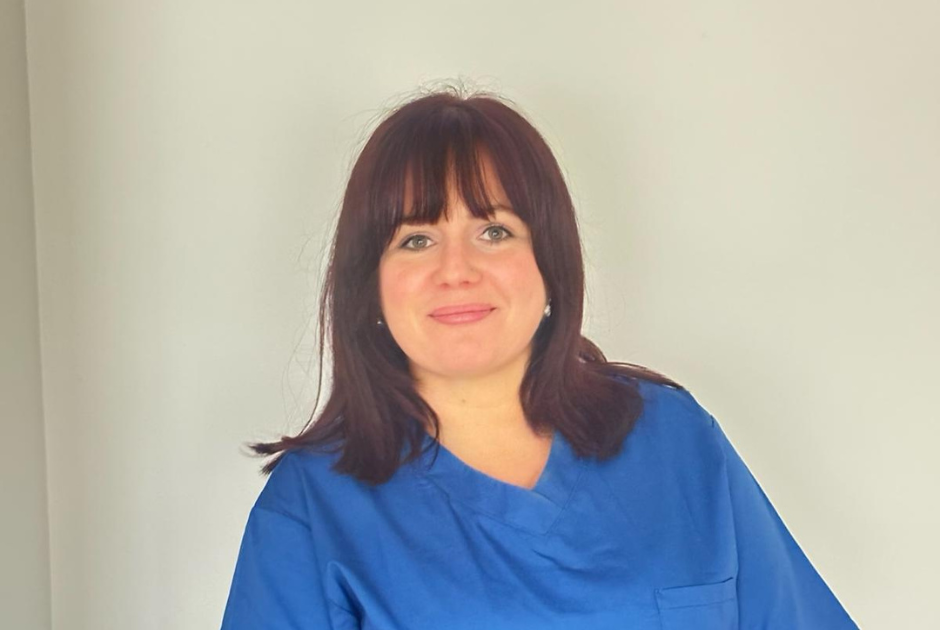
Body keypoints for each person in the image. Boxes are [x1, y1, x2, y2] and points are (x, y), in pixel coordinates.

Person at [219, 87, 859, 629]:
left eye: (494, 231)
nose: (457, 270)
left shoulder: (675, 441)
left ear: (551, 263)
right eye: (416, 239)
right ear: (370, 286)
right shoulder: (313, 509)